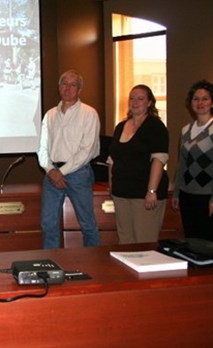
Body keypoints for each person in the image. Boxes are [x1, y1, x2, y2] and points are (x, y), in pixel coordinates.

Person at [37, 70, 101, 249]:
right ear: (59, 87)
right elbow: (42, 148)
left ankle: (93, 264)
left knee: (87, 224)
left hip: (78, 174)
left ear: (79, 89)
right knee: (48, 225)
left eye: (73, 85)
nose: (68, 88)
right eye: (64, 83)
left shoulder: (89, 113)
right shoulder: (49, 114)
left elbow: (87, 150)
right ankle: (52, 265)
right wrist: (51, 170)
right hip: (51, 174)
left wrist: (61, 172)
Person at [172, 80, 213, 245]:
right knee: (191, 240)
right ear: (190, 102)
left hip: (209, 196)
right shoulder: (186, 130)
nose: (200, 103)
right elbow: (182, 164)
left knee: (210, 242)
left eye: (205, 99)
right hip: (187, 195)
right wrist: (177, 192)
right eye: (196, 99)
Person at [108, 85, 169, 244]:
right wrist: (112, 186)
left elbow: (158, 160)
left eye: (140, 98)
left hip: (144, 195)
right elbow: (112, 160)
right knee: (125, 241)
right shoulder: (121, 126)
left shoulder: (155, 127)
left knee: (144, 242)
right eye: (132, 98)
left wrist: (151, 190)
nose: (135, 102)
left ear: (149, 103)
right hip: (121, 193)